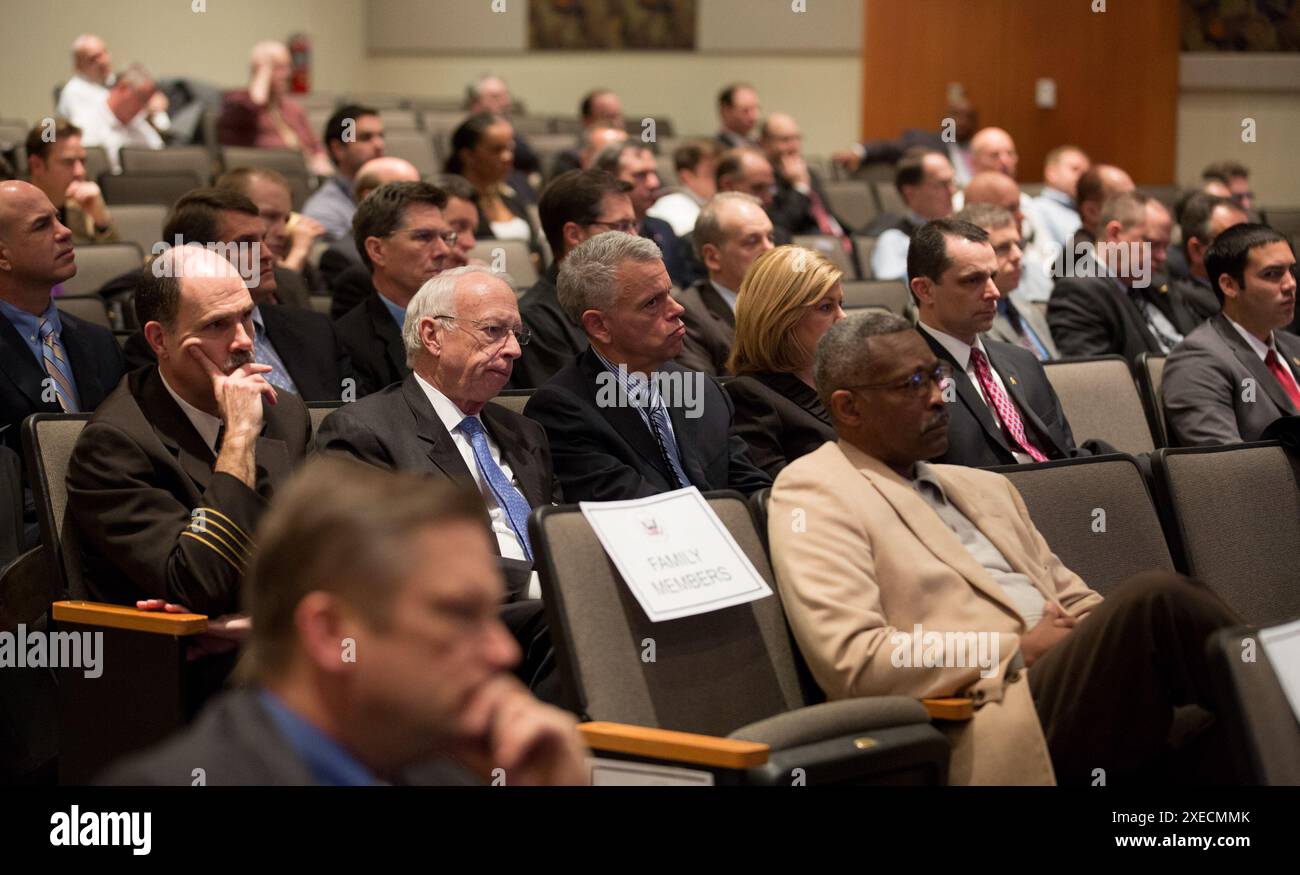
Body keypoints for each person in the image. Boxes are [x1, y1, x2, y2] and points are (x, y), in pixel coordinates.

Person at [768, 310, 1241, 784]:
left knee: (1234, 727)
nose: (938, 398)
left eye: (937, 375)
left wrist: (1088, 636)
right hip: (986, 710)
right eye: (913, 384)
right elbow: (855, 659)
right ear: (848, 408)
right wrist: (1013, 648)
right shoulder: (815, 491)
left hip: (1069, 681)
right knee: (1158, 601)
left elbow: (1072, 599)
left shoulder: (983, 487)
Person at [100, 455, 588, 786]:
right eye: (458, 615)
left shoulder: (460, 769)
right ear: (331, 633)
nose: (504, 651)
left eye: (489, 614)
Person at [315, 267, 559, 688]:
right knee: (567, 624)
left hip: (545, 606)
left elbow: (557, 525)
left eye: (517, 334)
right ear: (432, 336)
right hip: (446, 622)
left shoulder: (526, 431)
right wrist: (538, 585)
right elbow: (387, 556)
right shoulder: (364, 430)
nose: (515, 349)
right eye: (494, 330)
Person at [67, 244, 311, 616]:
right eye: (217, 325)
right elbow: (200, 583)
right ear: (158, 340)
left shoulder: (285, 411)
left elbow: (329, 556)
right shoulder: (114, 445)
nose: (245, 340)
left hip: (277, 644)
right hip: (177, 663)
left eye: (246, 317)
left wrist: (246, 624)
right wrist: (239, 438)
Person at [523, 232, 770, 500]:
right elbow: (637, 513)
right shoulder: (562, 411)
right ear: (599, 326)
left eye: (669, 293)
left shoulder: (703, 389)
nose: (677, 309)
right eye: (652, 303)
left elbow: (752, 489)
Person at [123, 187, 353, 402]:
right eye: (245, 243)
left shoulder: (317, 330)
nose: (267, 255)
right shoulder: (161, 349)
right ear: (196, 254)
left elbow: (352, 410)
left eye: (262, 239)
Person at [0, 180, 124, 546]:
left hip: (113, 529)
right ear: (2, 256)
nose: (66, 231)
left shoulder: (99, 342)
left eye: (58, 218)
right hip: (27, 548)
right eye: (43, 226)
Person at [911, 219, 1084, 468]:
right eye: (972, 280)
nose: (994, 292)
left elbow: (1066, 453)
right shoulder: (906, 378)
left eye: (992, 277)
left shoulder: (1023, 362)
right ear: (925, 290)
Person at [1163, 224, 1299, 446]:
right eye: (1272, 274)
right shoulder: (1197, 360)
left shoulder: (1295, 347)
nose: (1290, 284)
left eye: (1290, 270)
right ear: (1229, 285)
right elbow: (1228, 465)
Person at [724, 246, 843, 478]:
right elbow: (777, 495)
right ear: (781, 318)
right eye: (826, 307)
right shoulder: (751, 397)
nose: (843, 318)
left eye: (841, 304)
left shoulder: (850, 380)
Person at [509, 169, 635, 390]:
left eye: (634, 224)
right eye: (622, 226)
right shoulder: (533, 320)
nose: (635, 236)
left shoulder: (634, 300)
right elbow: (567, 404)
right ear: (574, 234)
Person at [1048, 192, 1201, 365]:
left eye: (1165, 246)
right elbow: (1094, 381)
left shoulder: (1155, 283)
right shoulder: (1078, 292)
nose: (1162, 256)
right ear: (1114, 234)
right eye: (1154, 244)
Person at [335, 181, 459, 394]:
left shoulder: (470, 322)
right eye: (423, 236)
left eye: (446, 237)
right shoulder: (346, 344)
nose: (443, 251)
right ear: (377, 250)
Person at [677, 192, 776, 376]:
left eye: (770, 238)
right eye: (752, 241)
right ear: (713, 257)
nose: (770, 249)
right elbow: (704, 395)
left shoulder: (787, 301)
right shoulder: (689, 315)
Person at [319, 156, 422, 311]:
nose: (419, 203)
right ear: (370, 196)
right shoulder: (341, 257)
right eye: (404, 193)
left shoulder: (432, 249)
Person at [957, 204, 1057, 360]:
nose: (1018, 255)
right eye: (1003, 247)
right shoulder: (969, 324)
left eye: (1018, 244)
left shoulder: (1031, 310)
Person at [217, 41, 331, 176]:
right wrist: (264, 69)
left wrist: (320, 158)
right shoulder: (238, 101)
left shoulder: (293, 108)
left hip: (304, 175)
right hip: (261, 176)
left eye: (288, 66)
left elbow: (315, 145)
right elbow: (256, 103)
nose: (287, 74)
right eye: (278, 67)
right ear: (259, 69)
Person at [444, 113, 543, 264]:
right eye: (496, 150)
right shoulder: (453, 204)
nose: (507, 157)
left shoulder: (513, 192)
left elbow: (536, 247)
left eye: (510, 149)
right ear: (468, 156)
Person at [216, 166, 325, 302]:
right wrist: (297, 256)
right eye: (270, 216)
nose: (283, 232)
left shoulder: (304, 272)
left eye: (286, 220)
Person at [594, 142, 692, 289]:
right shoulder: (597, 232)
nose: (654, 183)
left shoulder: (664, 228)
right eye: (640, 175)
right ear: (610, 180)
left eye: (654, 173)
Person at [761, 112, 854, 256]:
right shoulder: (764, 179)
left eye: (797, 138)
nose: (794, 146)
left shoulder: (809, 172)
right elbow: (779, 226)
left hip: (839, 237)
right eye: (785, 140)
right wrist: (799, 187)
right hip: (810, 246)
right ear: (765, 142)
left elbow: (826, 215)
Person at [834, 95, 978, 186]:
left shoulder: (980, 150)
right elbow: (889, 147)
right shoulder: (926, 142)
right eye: (956, 115)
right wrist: (858, 152)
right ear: (945, 119)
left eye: (969, 117)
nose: (963, 122)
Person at [24, 120, 118, 244]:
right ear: (36, 165)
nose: (80, 172)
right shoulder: (13, 215)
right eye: (68, 162)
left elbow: (113, 259)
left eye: (82, 161)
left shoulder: (82, 206)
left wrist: (102, 223)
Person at [301, 104, 386, 242]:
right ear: (338, 149)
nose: (379, 144)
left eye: (380, 136)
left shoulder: (387, 196)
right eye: (365, 137)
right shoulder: (323, 213)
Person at [868, 149, 956, 281]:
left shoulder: (963, 233)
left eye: (952, 182)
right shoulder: (894, 240)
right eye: (942, 184)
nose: (952, 191)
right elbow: (893, 291)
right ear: (910, 193)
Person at [57, 34, 169, 136]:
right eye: (93, 59)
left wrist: (150, 108)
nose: (102, 61)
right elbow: (86, 134)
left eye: (104, 53)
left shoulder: (117, 81)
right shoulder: (73, 92)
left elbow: (162, 126)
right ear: (78, 66)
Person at [1172, 192, 1249, 321]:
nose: (1248, 250)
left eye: (1249, 238)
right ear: (1197, 250)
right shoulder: (1181, 302)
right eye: (1233, 241)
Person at [75, 64, 164, 173]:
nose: (142, 108)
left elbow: (160, 158)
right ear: (122, 88)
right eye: (141, 98)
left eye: (146, 102)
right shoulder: (85, 124)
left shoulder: (140, 126)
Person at [464, 74, 541, 201]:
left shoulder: (514, 135)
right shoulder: (467, 135)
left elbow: (531, 161)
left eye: (506, 95)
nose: (505, 102)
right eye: (496, 97)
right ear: (476, 104)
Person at [645, 138, 719, 237]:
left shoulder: (713, 205)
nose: (719, 179)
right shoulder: (672, 206)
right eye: (712, 173)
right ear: (687, 176)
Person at [550, 89, 624, 178]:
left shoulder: (634, 154)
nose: (616, 123)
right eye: (607, 117)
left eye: (618, 115)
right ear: (587, 121)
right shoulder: (571, 159)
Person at [1031, 146, 1090, 251]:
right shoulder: (1036, 208)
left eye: (1086, 173)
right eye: (1075, 169)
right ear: (1051, 172)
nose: (1083, 177)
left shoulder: (1086, 211)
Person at [716, 83, 760, 149]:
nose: (753, 116)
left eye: (755, 109)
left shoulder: (758, 146)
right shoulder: (716, 148)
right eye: (745, 110)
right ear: (725, 110)